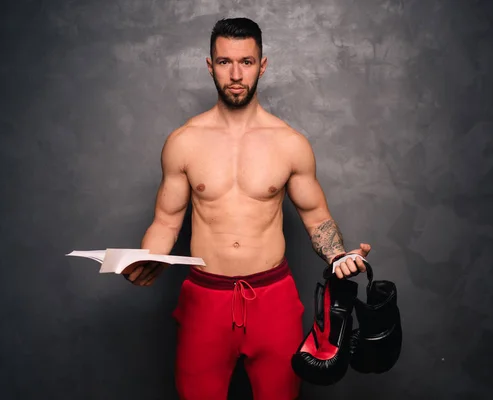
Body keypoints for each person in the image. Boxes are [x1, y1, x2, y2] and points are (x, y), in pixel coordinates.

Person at [123, 17, 371, 400]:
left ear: (262, 64)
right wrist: (145, 259)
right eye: (224, 62)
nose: (236, 74)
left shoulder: (289, 143)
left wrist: (338, 256)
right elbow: (166, 221)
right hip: (205, 300)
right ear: (210, 66)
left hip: (272, 299)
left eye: (247, 62)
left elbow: (316, 216)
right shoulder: (184, 142)